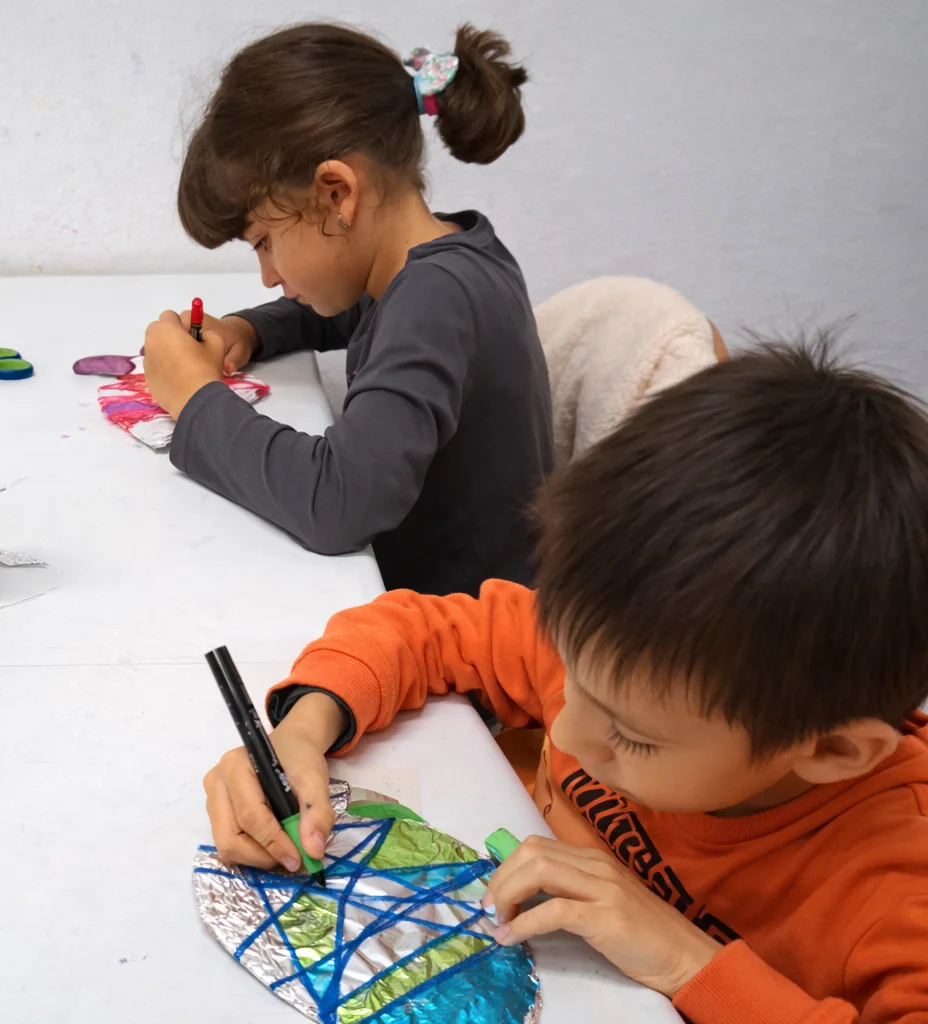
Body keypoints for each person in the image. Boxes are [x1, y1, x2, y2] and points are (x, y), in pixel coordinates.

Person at [201, 339, 928, 1020]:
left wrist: (688, 961)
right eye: (571, 676)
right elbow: (424, 629)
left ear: (830, 750)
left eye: (632, 738)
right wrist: (307, 725)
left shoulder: (896, 892)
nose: (569, 731)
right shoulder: (624, 656)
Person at [141, 23, 552, 596]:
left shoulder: (436, 298)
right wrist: (249, 329)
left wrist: (193, 400)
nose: (268, 276)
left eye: (264, 242)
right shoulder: (450, 259)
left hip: (471, 635)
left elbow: (339, 502)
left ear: (337, 193)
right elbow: (356, 312)